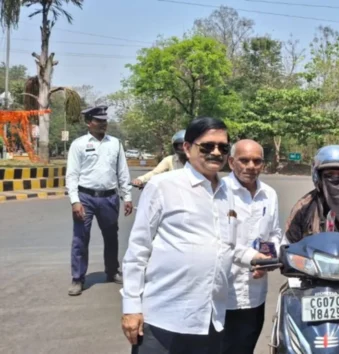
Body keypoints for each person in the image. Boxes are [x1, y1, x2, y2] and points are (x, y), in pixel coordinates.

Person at [121, 117, 249, 353]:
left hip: (210, 318)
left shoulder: (227, 193)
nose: (216, 152)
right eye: (207, 146)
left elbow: (228, 245)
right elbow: (138, 251)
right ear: (188, 149)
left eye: (223, 147)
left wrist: (257, 258)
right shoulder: (162, 186)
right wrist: (131, 307)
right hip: (162, 318)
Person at [222, 139, 285, 354]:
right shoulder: (219, 192)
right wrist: (254, 257)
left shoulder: (269, 194)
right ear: (231, 162)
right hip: (222, 292)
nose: (251, 166)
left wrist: (266, 260)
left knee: (245, 348)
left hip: (255, 293)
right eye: (244, 160)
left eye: (257, 161)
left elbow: (274, 233)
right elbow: (219, 240)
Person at [65, 105, 133, 296]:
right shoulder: (78, 144)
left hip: (110, 197)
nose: (103, 124)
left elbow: (122, 172)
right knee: (80, 238)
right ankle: (77, 278)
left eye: (105, 120)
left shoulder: (116, 143)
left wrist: (127, 196)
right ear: (89, 123)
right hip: (85, 197)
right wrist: (74, 201)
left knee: (111, 236)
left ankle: (112, 271)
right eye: (99, 120)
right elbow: (72, 175)